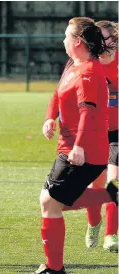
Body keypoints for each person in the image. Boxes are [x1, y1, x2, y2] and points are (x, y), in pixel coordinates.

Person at [37, 17, 118, 274]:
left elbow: (89, 112)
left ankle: (55, 268)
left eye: (66, 36)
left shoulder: (89, 72)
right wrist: (51, 116)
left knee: (50, 203)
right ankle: (112, 194)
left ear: (78, 42)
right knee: (53, 201)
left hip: (84, 149)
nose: (63, 40)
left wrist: (79, 147)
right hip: (70, 146)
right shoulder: (74, 64)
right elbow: (58, 93)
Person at [84, 20, 118, 253]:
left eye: (107, 38)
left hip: (117, 132)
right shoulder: (86, 62)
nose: (103, 43)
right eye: (98, 38)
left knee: (113, 181)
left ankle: (111, 234)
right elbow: (61, 92)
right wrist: (51, 117)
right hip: (93, 131)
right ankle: (94, 224)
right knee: (94, 186)